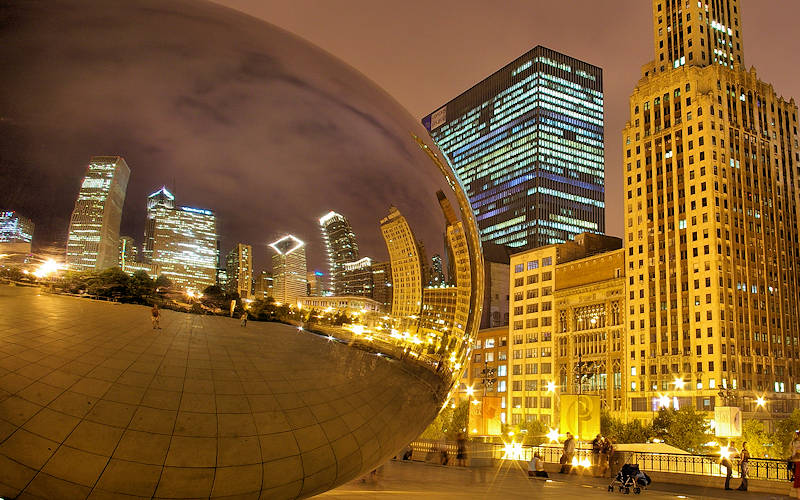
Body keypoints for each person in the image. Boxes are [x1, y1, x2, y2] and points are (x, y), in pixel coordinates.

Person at [790, 430, 800, 498]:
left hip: (798, 461)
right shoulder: (795, 442)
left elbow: (793, 453)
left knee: (798, 479)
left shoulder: (795, 442)